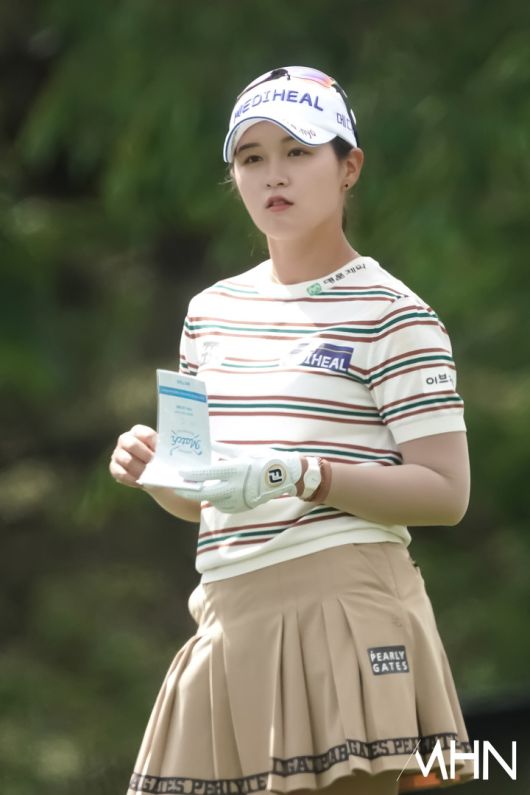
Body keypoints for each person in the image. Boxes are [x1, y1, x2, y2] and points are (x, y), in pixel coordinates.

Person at [110, 66, 474, 795]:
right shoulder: (208, 312)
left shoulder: (394, 313)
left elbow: (445, 491)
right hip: (229, 619)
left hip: (347, 610)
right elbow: (207, 499)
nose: (273, 174)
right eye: (252, 157)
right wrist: (156, 473)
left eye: (298, 151)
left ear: (348, 167)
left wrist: (304, 474)